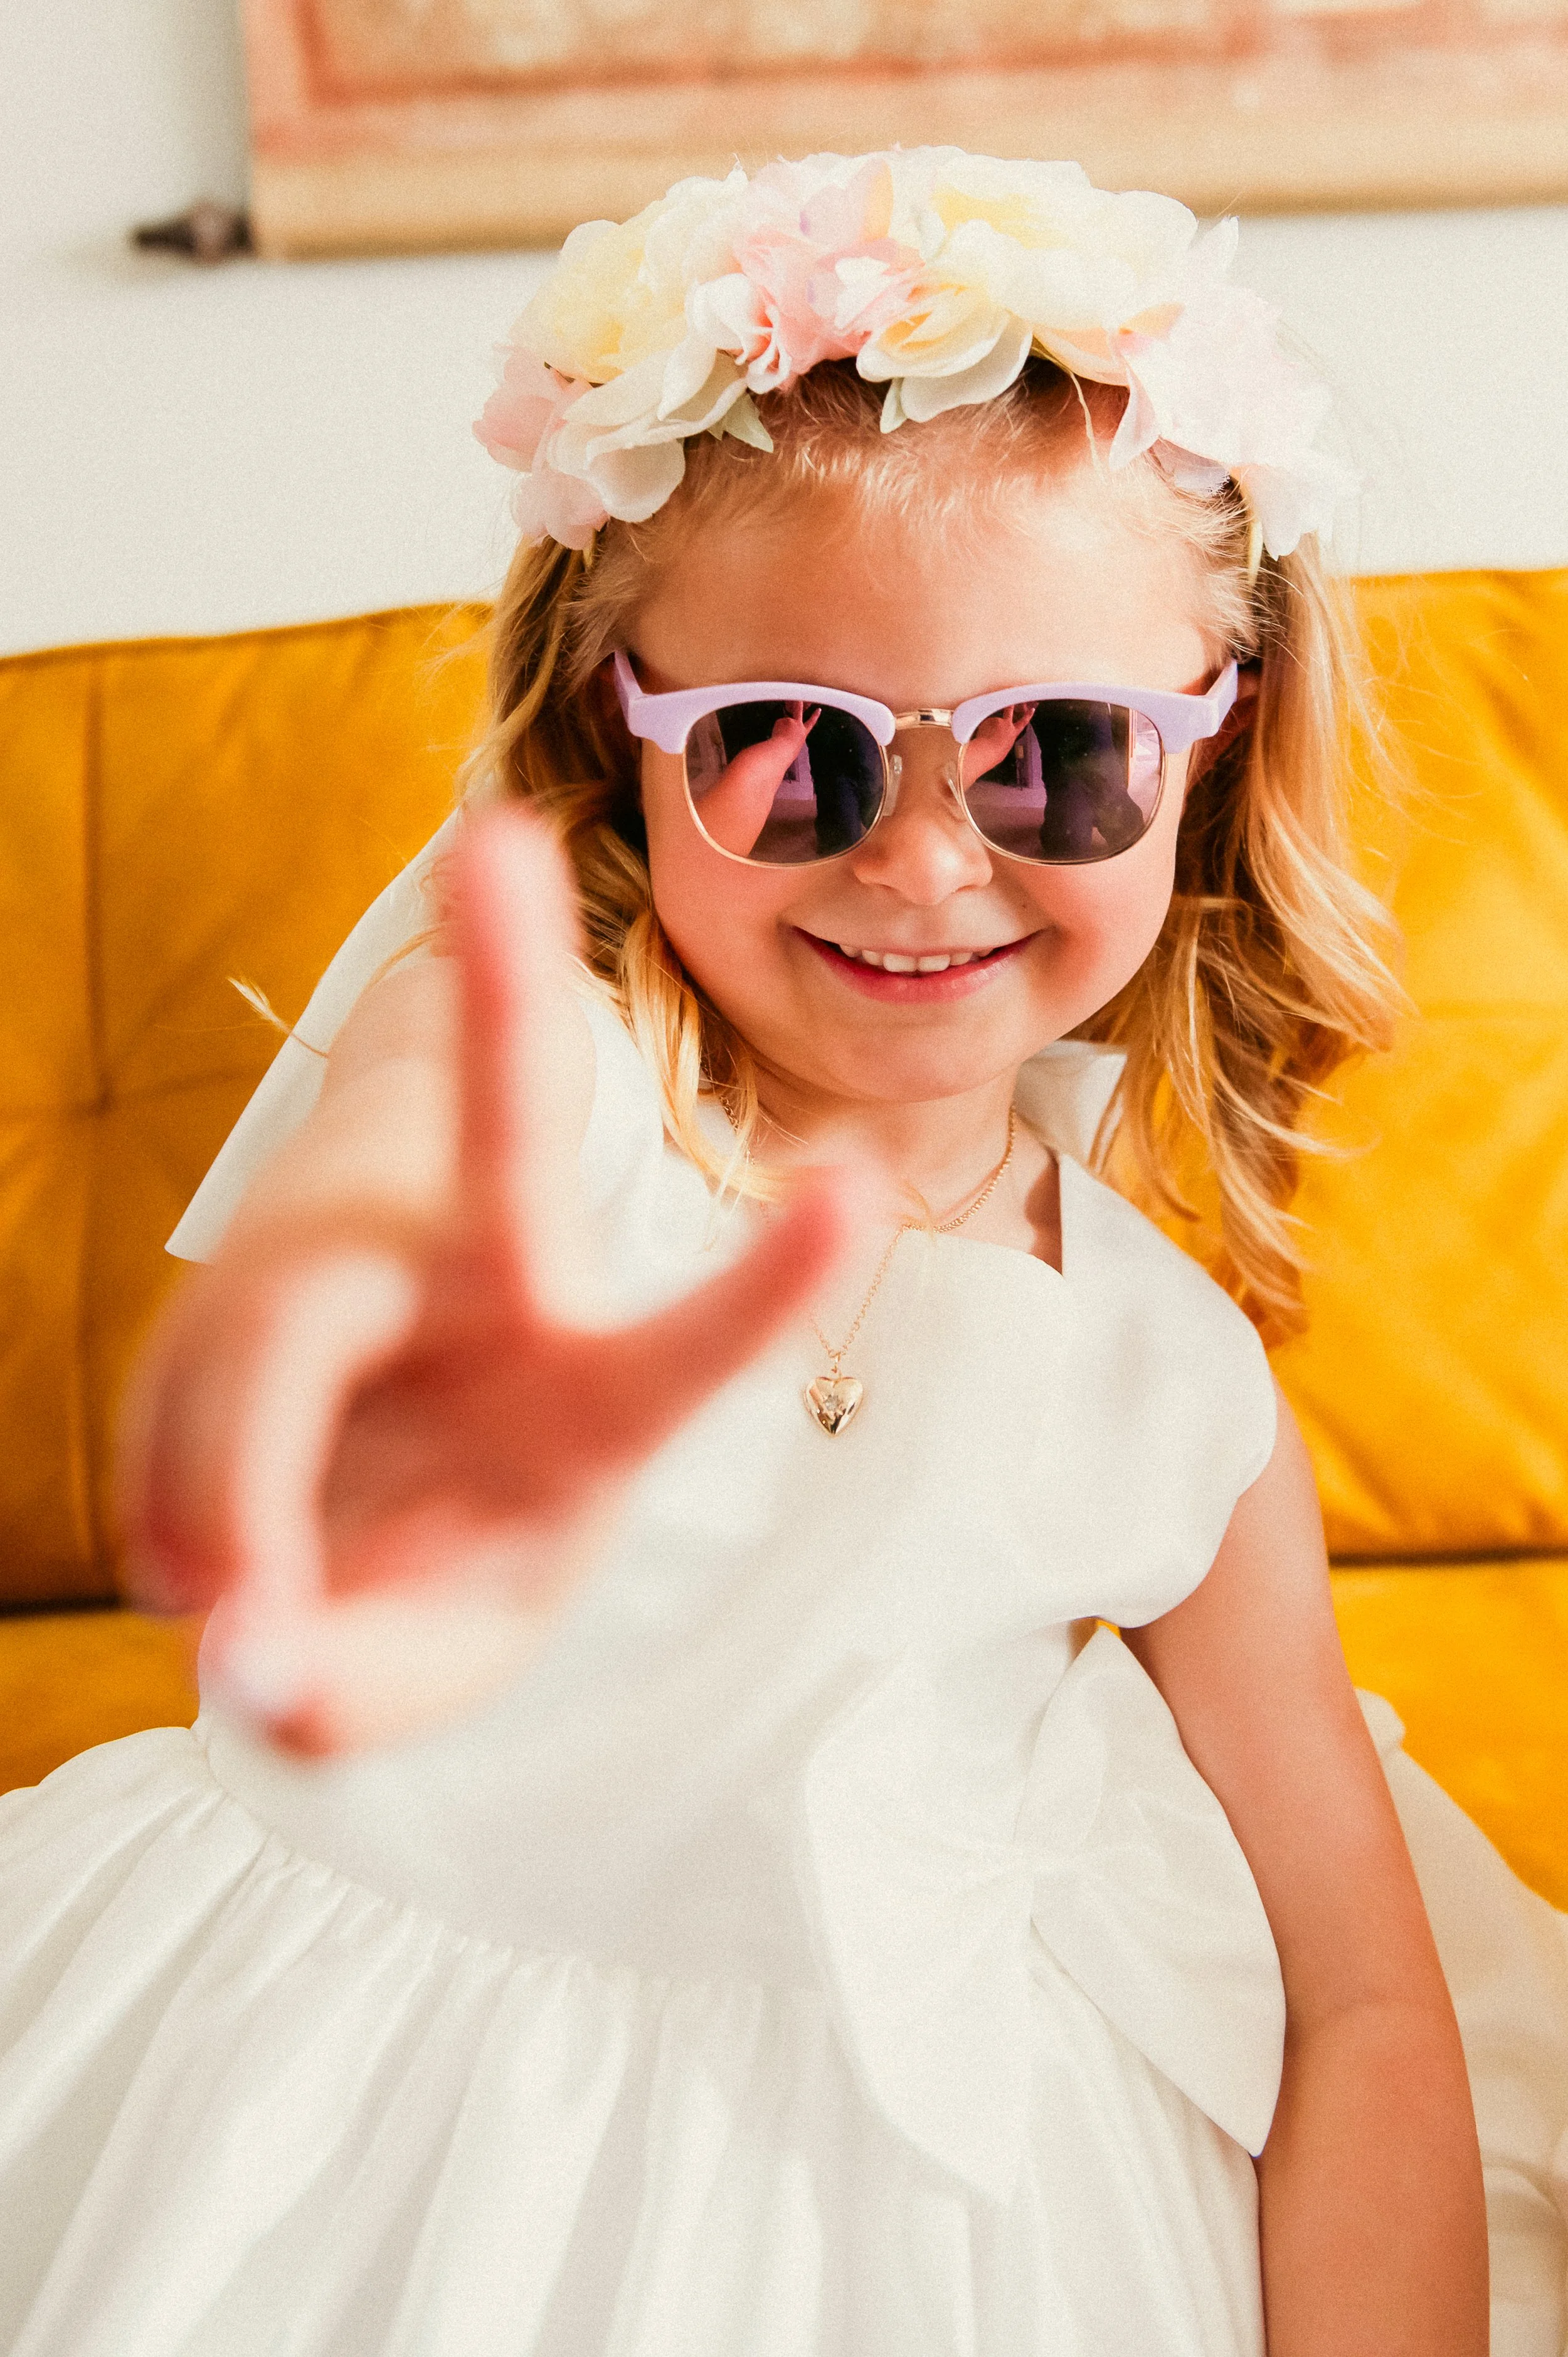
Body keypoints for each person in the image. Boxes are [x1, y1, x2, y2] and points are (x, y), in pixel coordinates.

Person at [1, 149, 1564, 2357]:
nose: (922, 858)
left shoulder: (1164, 1383)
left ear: (1209, 754)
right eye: (785, 750)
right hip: (373, 2084)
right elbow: (362, 1213)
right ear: (616, 740)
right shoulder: (521, 1025)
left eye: (1058, 759)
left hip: (946, 2209)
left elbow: (1365, 1995)